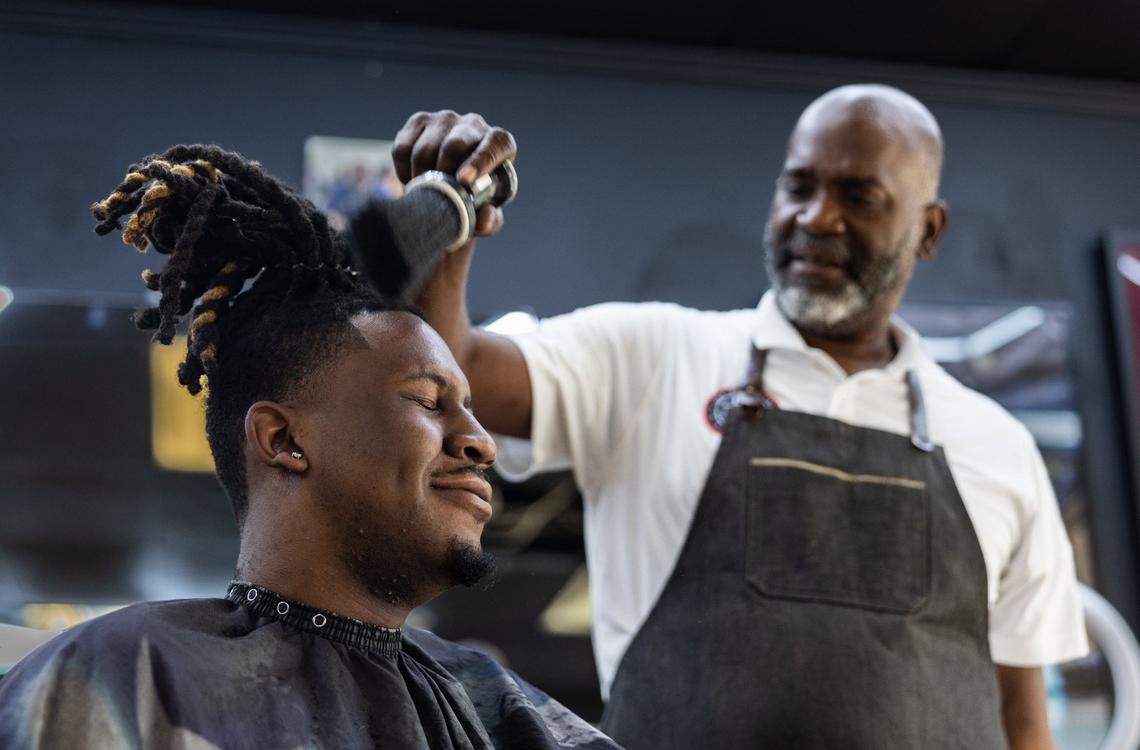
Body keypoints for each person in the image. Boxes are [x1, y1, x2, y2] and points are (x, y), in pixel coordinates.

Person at [385, 86, 1089, 749]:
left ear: (928, 230)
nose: (817, 217)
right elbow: (455, 371)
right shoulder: (653, 357)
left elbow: (1022, 718)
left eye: (859, 196)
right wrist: (450, 217)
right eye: (799, 186)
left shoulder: (997, 446)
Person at [0, 145, 620, 750]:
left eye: (471, 408)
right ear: (285, 439)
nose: (482, 442)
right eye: (429, 401)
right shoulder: (121, 680)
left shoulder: (508, 717)